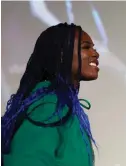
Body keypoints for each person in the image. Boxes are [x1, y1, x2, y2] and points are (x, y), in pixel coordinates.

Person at [1, 23, 100, 166]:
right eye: (86, 47)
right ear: (61, 54)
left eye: (93, 48)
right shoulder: (49, 107)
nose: (95, 53)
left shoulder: (63, 107)